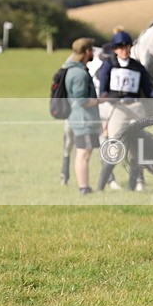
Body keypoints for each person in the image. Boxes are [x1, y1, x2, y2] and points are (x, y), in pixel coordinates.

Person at [96, 28, 153, 191]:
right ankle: (100, 186)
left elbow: (147, 90)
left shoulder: (138, 67)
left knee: (138, 147)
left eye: (126, 46)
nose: (124, 50)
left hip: (135, 107)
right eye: (120, 47)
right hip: (118, 107)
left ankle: (133, 185)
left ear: (130, 47)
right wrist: (107, 97)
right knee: (115, 145)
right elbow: (103, 89)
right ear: (115, 49)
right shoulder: (108, 65)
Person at [63, 37, 101, 195]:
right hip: (83, 119)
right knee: (83, 154)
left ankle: (84, 187)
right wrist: (102, 100)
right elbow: (81, 100)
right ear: (86, 52)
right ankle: (84, 188)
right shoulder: (79, 73)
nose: (93, 53)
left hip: (82, 118)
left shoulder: (75, 69)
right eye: (92, 50)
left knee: (83, 152)